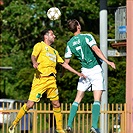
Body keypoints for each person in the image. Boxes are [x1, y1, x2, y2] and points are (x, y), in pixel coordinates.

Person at [8, 29, 86, 133]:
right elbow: (33, 55)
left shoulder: (54, 51)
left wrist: (77, 73)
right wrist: (34, 62)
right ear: (46, 36)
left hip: (51, 80)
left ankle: (59, 128)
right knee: (30, 105)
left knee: (57, 104)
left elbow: (63, 63)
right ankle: (14, 123)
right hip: (40, 80)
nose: (54, 36)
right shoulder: (39, 45)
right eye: (52, 34)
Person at [63, 19, 116, 133]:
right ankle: (93, 126)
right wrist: (108, 62)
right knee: (97, 99)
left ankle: (69, 124)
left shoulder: (70, 43)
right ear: (78, 26)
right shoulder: (87, 36)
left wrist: (68, 73)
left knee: (77, 98)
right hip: (95, 69)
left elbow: (65, 63)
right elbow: (95, 49)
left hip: (84, 72)